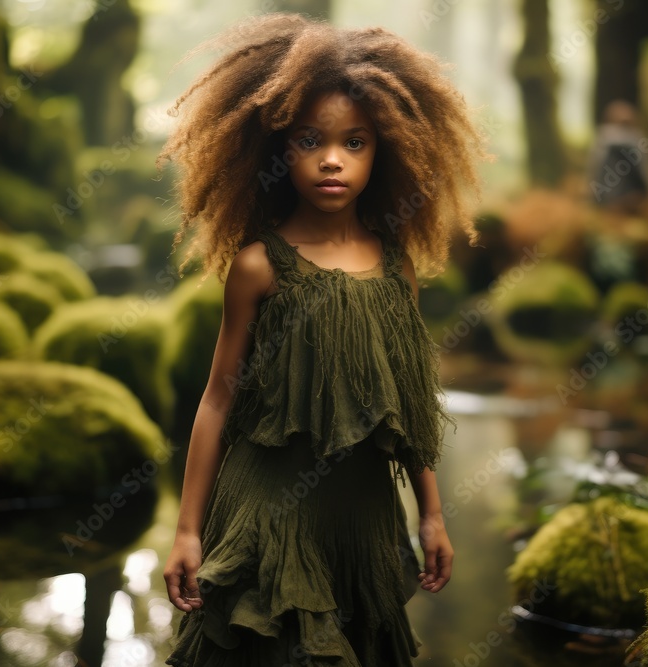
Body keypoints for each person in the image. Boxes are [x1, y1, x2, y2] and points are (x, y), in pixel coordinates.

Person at [156, 13, 488, 666]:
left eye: (355, 142)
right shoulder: (259, 266)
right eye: (310, 140)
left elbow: (412, 408)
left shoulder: (399, 271)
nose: (332, 159)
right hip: (266, 512)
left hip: (363, 522)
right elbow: (217, 400)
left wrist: (433, 514)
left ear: (383, 151)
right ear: (280, 149)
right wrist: (188, 530)